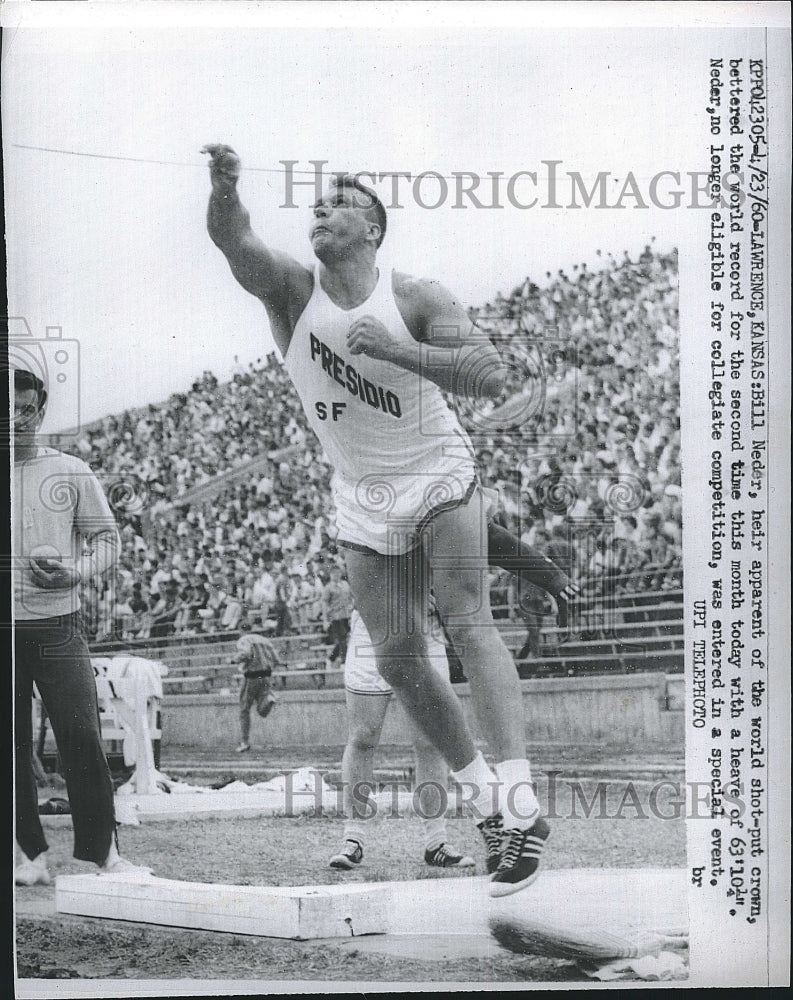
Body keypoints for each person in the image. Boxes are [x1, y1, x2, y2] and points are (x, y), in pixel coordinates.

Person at [204, 144, 548, 895]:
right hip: (362, 492)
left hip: (437, 474)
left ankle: (519, 800)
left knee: (466, 621)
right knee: (395, 658)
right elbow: (232, 240)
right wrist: (224, 188)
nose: (320, 209)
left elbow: (489, 374)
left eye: (339, 202)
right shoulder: (293, 292)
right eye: (316, 202)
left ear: (372, 229)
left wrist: (398, 350)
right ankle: (490, 804)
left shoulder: (414, 295)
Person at [12, 366, 151, 885]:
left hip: (57, 623)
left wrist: (77, 570)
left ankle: (102, 854)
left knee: (80, 733)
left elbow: (108, 539)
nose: (19, 418)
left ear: (41, 412)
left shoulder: (69, 470)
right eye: (10, 408)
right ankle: (29, 855)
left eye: (29, 408)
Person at [330, 607, 475, 871]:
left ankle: (436, 841)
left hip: (423, 626)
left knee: (430, 739)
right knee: (363, 735)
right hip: (374, 624)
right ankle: (353, 837)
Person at [233, 625, 279, 753]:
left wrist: (234, 660)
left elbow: (245, 653)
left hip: (251, 676)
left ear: (241, 630)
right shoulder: (265, 640)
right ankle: (269, 698)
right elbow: (276, 659)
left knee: (244, 710)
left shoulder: (244, 640)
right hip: (266, 675)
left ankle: (245, 742)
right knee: (262, 710)